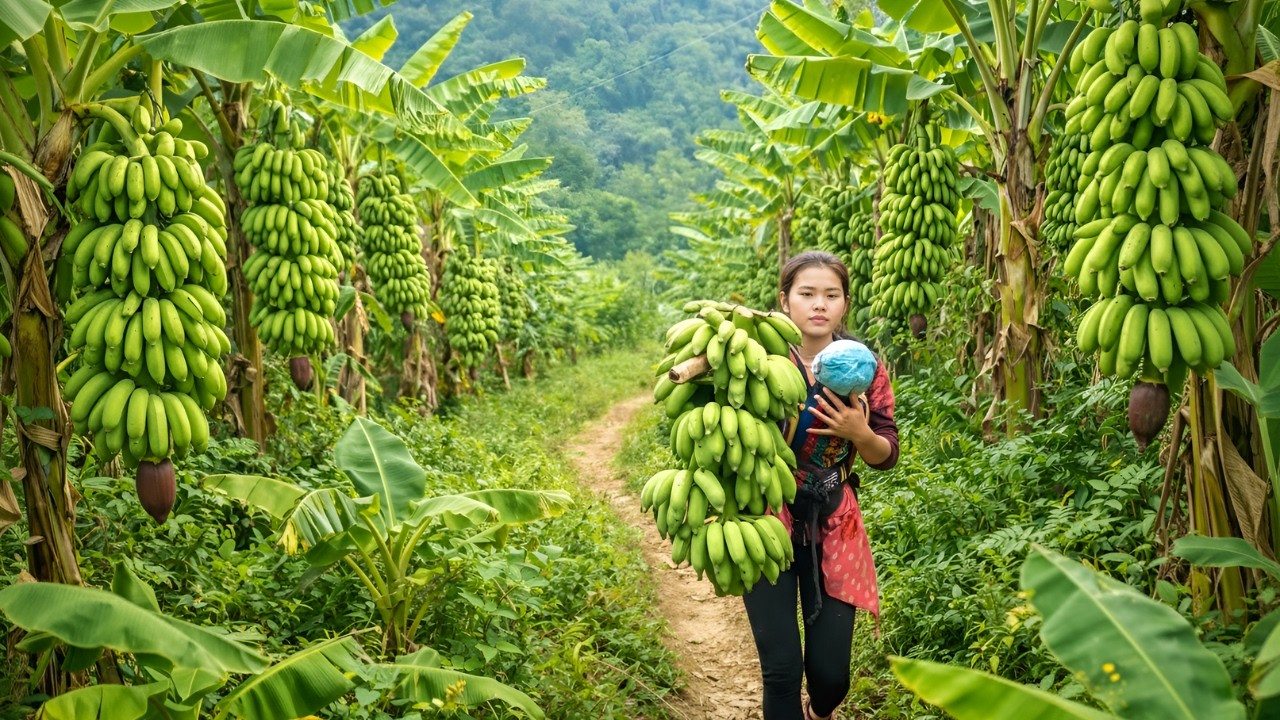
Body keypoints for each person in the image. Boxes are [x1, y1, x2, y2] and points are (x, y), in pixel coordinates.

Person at [741, 250, 900, 720]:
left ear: (845, 304)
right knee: (782, 670)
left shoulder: (863, 366)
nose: (818, 304)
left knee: (831, 678)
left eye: (831, 295)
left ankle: (821, 710)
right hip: (765, 516)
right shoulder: (760, 361)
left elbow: (886, 453)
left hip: (834, 517)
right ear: (784, 300)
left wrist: (859, 432)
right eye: (806, 293)